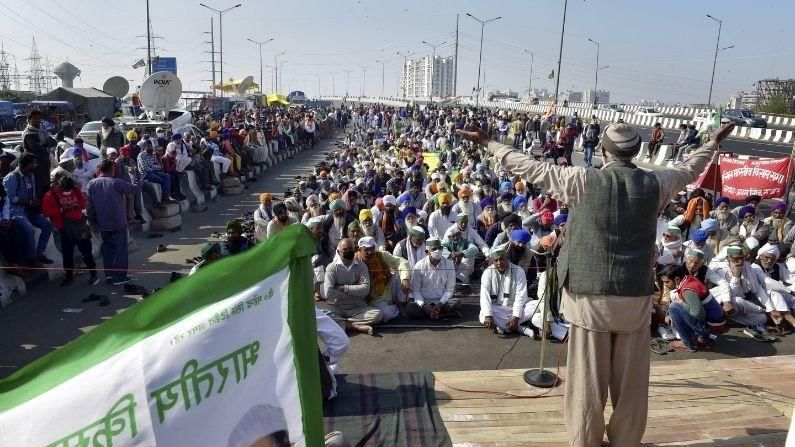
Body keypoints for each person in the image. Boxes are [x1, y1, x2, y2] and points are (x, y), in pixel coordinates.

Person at [457, 120, 735, 446]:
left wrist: (490, 143)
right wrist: (712, 143)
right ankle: (625, 440)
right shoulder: (657, 182)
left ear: (603, 151)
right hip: (634, 300)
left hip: (590, 300)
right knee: (631, 384)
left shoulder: (581, 179)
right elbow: (689, 169)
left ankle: (586, 440)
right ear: (635, 152)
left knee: (587, 382)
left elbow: (530, 167)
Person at [86, 159, 141, 285]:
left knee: (108, 249)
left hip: (103, 223)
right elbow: (136, 189)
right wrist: (134, 176)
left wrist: (93, 222)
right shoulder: (116, 182)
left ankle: (109, 275)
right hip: (118, 222)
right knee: (121, 250)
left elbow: (89, 207)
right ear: (112, 169)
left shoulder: (92, 184)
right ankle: (120, 277)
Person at [708, 245, 775, 341]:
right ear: (728, 258)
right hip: (724, 303)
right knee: (737, 300)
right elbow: (731, 295)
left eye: (742, 258)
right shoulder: (720, 269)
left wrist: (770, 308)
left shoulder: (748, 267)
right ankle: (760, 311)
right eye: (736, 259)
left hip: (738, 307)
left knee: (762, 319)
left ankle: (728, 320)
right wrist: (736, 276)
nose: (740, 261)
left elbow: (758, 289)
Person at [42, 176, 98, 286]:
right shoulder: (50, 195)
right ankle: (69, 276)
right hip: (64, 228)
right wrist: (61, 210)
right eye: (65, 190)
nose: (68, 192)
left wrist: (76, 206)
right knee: (67, 254)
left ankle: (93, 274)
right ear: (60, 186)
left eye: (70, 189)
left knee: (87, 252)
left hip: (79, 225)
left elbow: (83, 202)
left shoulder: (75, 189)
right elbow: (46, 212)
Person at [2, 153, 53, 266]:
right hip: (16, 212)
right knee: (29, 229)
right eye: (33, 163)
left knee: (47, 225)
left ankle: (40, 252)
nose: (35, 165)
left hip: (30, 211)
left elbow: (32, 194)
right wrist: (29, 202)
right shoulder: (12, 177)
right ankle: (31, 258)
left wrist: (36, 203)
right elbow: (10, 198)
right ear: (27, 164)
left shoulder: (31, 176)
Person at [324, 238, 382, 335]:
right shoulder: (332, 268)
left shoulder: (361, 266)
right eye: (345, 249)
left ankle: (344, 323)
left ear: (355, 249)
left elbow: (365, 289)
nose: (348, 251)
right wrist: (355, 290)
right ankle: (354, 325)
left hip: (357, 307)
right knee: (322, 316)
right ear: (338, 252)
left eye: (350, 249)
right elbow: (328, 293)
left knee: (378, 315)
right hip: (336, 307)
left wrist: (343, 288)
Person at [480, 245, 538, 337]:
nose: (499, 263)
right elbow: (484, 296)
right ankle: (520, 328)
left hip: (516, 307)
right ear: (493, 262)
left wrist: (516, 316)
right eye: (496, 260)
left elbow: (521, 296)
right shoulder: (488, 272)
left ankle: (504, 326)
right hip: (497, 308)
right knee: (484, 314)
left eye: (502, 259)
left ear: (507, 259)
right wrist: (488, 315)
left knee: (536, 305)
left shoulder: (518, 271)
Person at [355, 236, 410, 322]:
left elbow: (402, 262)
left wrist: (405, 279)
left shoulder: (381, 255)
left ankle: (401, 304)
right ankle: (396, 308)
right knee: (386, 314)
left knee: (403, 273)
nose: (370, 252)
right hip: (373, 299)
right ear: (359, 250)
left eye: (372, 249)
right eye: (366, 250)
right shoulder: (355, 262)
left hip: (388, 289)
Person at [407, 237, 458, 319]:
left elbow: (449, 289)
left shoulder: (449, 264)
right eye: (434, 249)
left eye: (440, 248)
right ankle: (440, 315)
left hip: (442, 302)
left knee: (456, 303)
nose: (438, 251)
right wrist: (423, 306)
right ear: (427, 252)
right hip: (425, 302)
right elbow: (416, 290)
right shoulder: (419, 265)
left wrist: (440, 303)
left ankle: (432, 314)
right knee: (410, 308)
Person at [21, 108, 57, 202]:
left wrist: (44, 144)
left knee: (46, 193)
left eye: (39, 118)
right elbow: (36, 148)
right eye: (35, 118)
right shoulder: (28, 133)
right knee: (37, 194)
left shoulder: (42, 131)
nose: (37, 120)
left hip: (44, 168)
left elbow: (54, 142)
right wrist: (45, 144)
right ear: (29, 119)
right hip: (34, 169)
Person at [137, 139, 172, 207]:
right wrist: (153, 166)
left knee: (167, 176)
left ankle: (166, 198)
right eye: (148, 146)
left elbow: (159, 166)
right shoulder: (141, 155)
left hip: (153, 172)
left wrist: (152, 166)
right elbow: (145, 168)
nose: (150, 148)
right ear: (145, 147)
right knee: (162, 181)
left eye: (151, 146)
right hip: (145, 174)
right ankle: (164, 199)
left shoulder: (153, 154)